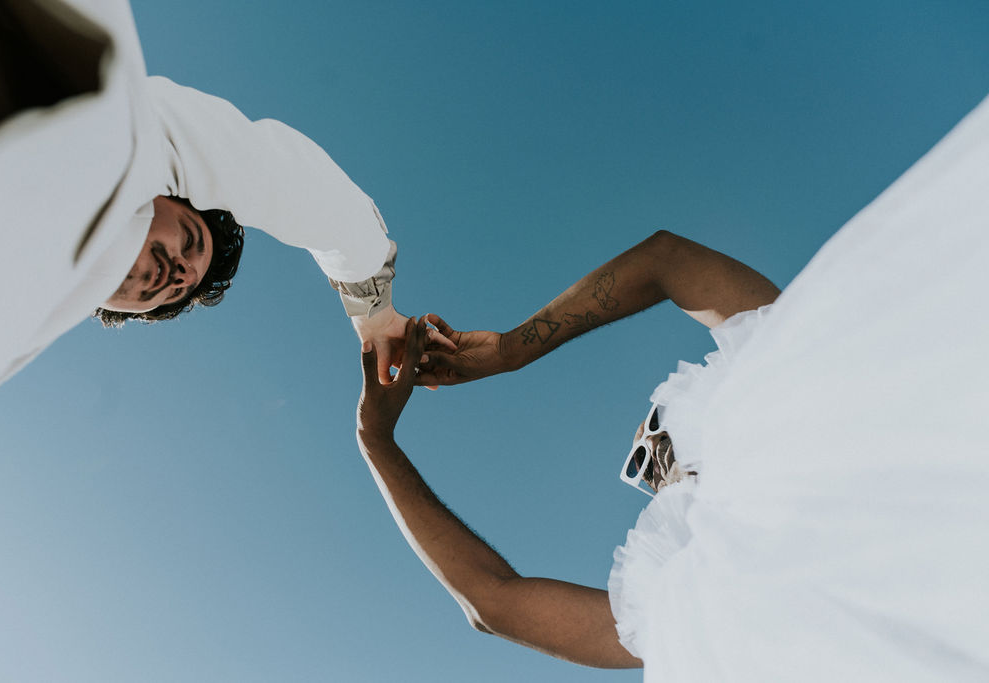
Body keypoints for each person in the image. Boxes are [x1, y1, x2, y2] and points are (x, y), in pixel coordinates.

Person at [356, 93, 989, 681]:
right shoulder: (691, 593)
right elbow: (494, 603)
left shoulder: (788, 381)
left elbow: (666, 261)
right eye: (642, 460)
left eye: (644, 447)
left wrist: (510, 351)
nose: (644, 458)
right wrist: (376, 440)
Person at [0, 0, 448, 410]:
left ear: (122, 311)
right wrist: (375, 313)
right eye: (190, 241)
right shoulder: (144, 150)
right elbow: (296, 186)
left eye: (175, 291)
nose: (177, 273)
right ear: (171, 194)